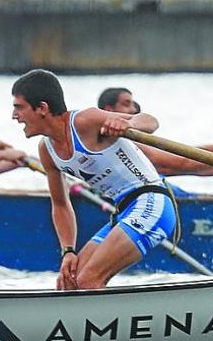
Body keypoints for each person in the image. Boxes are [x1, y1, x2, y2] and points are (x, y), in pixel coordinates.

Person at [12, 69, 175, 291]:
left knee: (88, 281)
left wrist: (129, 124)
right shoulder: (46, 150)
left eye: (19, 107)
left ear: (42, 108)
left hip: (153, 203)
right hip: (124, 211)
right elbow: (60, 205)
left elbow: (150, 121)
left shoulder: (84, 121)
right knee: (70, 283)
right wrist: (68, 250)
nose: (14, 116)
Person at [98, 86, 213, 178]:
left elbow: (152, 124)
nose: (133, 110)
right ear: (108, 110)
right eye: (126, 104)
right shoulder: (109, 137)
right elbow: (180, 164)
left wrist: (210, 149)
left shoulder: (126, 138)